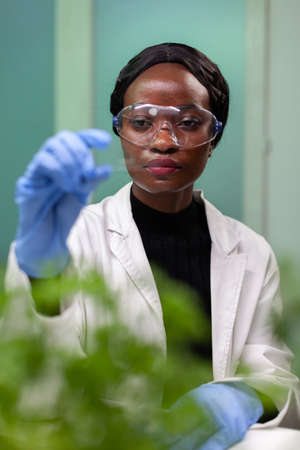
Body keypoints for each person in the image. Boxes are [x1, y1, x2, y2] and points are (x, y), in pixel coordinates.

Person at [5, 43, 300, 447]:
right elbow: (36, 389)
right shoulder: (69, 238)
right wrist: (41, 276)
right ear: (120, 133)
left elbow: (274, 375)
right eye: (142, 122)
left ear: (213, 139)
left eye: (189, 122)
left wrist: (240, 397)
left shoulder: (250, 251)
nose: (163, 141)